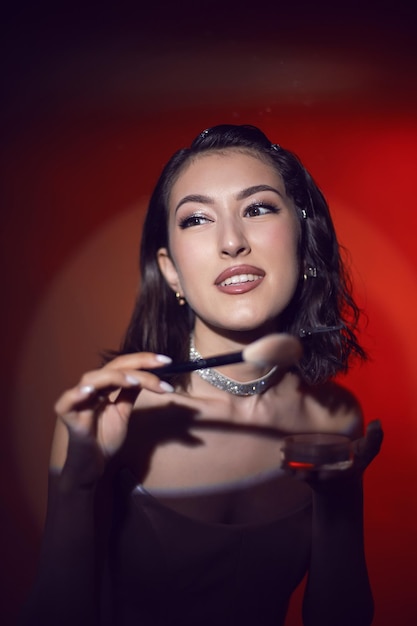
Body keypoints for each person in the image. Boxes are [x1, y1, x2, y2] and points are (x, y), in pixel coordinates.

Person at [20, 124, 383, 626]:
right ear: (170, 271)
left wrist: (339, 506)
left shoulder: (334, 417)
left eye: (257, 209)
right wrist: (75, 487)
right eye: (196, 219)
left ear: (303, 244)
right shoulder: (111, 418)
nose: (232, 242)